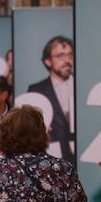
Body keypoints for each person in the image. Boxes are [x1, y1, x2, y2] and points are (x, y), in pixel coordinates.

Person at [26, 35, 75, 163]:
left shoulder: (83, 85)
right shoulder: (36, 90)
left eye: (70, 55)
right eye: (60, 56)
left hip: (81, 159)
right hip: (51, 159)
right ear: (48, 61)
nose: (67, 60)